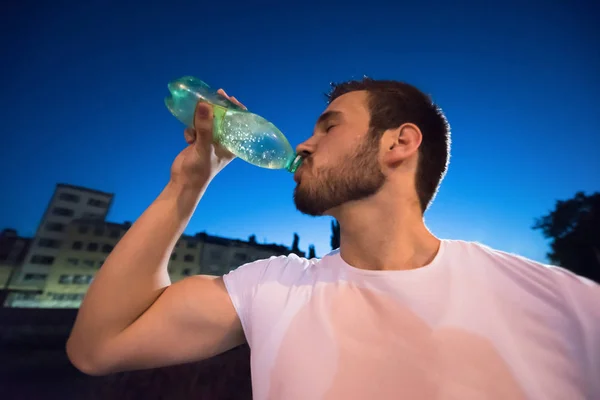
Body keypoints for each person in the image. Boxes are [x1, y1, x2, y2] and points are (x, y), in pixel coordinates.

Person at [67, 78, 599, 399]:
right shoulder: (271, 288)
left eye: (328, 127)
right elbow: (97, 347)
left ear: (399, 143)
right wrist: (187, 184)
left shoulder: (563, 303)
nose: (303, 142)